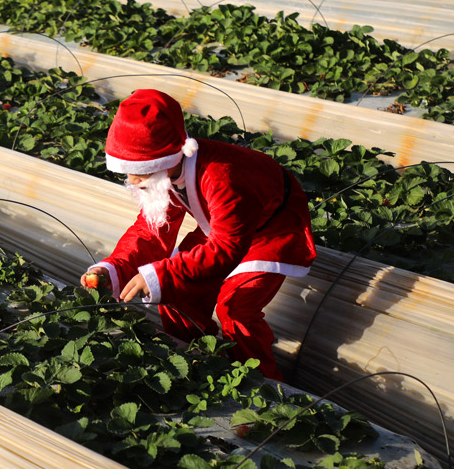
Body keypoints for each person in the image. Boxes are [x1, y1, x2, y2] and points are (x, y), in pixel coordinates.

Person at [83, 89, 316, 380]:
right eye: (127, 170)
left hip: (271, 231)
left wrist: (160, 274)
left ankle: (262, 383)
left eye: (138, 170)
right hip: (224, 227)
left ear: (163, 160)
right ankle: (197, 360)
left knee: (235, 308)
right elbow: (151, 230)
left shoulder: (222, 177)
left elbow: (228, 246)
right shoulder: (168, 170)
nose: (132, 180)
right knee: (176, 294)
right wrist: (111, 269)